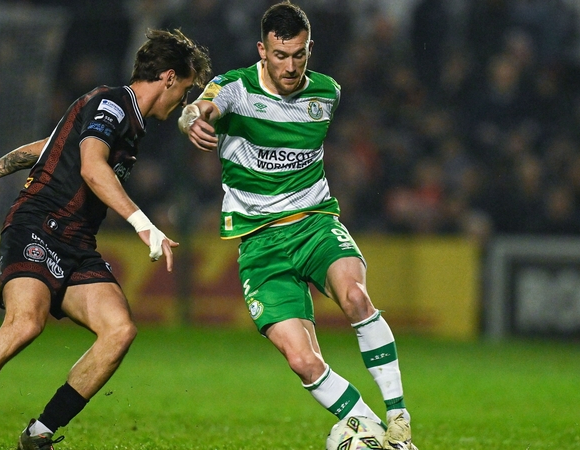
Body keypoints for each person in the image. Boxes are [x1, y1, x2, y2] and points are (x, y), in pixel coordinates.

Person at [0, 28, 211, 450]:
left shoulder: (126, 119)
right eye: (184, 88)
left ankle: (39, 434)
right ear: (168, 77)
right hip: (39, 223)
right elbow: (91, 166)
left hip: (77, 241)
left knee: (119, 330)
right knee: (25, 323)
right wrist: (143, 223)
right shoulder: (113, 103)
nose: (183, 98)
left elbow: (55, 145)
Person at [177, 2, 417, 449]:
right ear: (261, 51)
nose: (290, 66)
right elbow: (197, 108)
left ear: (310, 50)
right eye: (280, 55)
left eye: (299, 55)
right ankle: (375, 431)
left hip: (314, 224)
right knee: (304, 361)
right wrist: (193, 121)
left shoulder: (327, 93)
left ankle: (399, 417)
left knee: (356, 297)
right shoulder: (234, 88)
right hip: (259, 243)